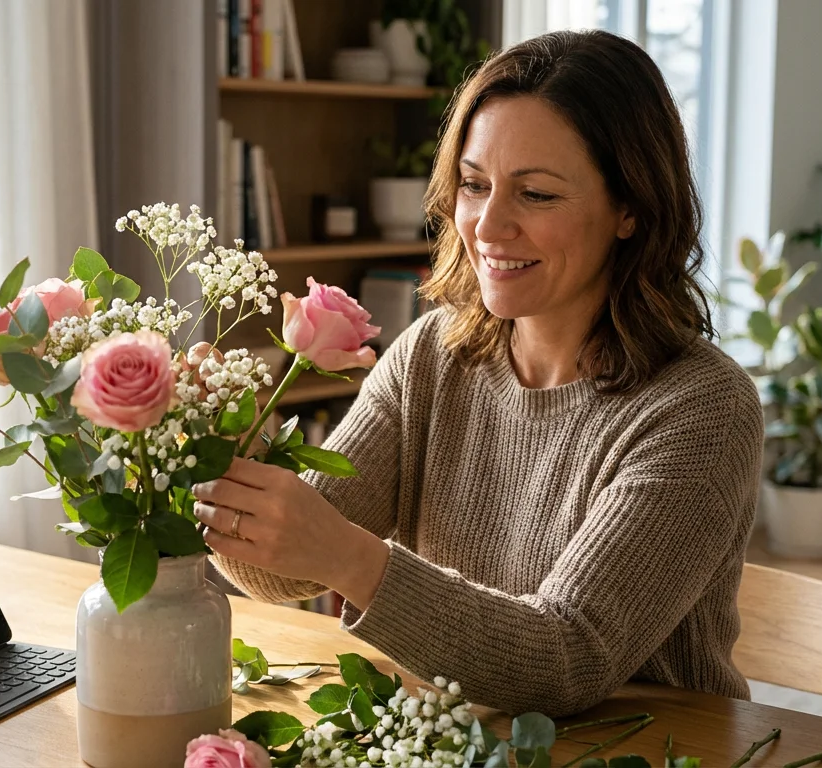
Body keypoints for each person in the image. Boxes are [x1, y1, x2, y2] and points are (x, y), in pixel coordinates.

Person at [193, 29, 762, 717]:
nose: (488, 226)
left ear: (630, 210)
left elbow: (568, 659)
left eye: (537, 195)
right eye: (473, 184)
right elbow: (275, 570)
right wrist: (220, 446)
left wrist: (350, 558)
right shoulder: (434, 354)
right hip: (461, 740)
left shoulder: (701, 407)